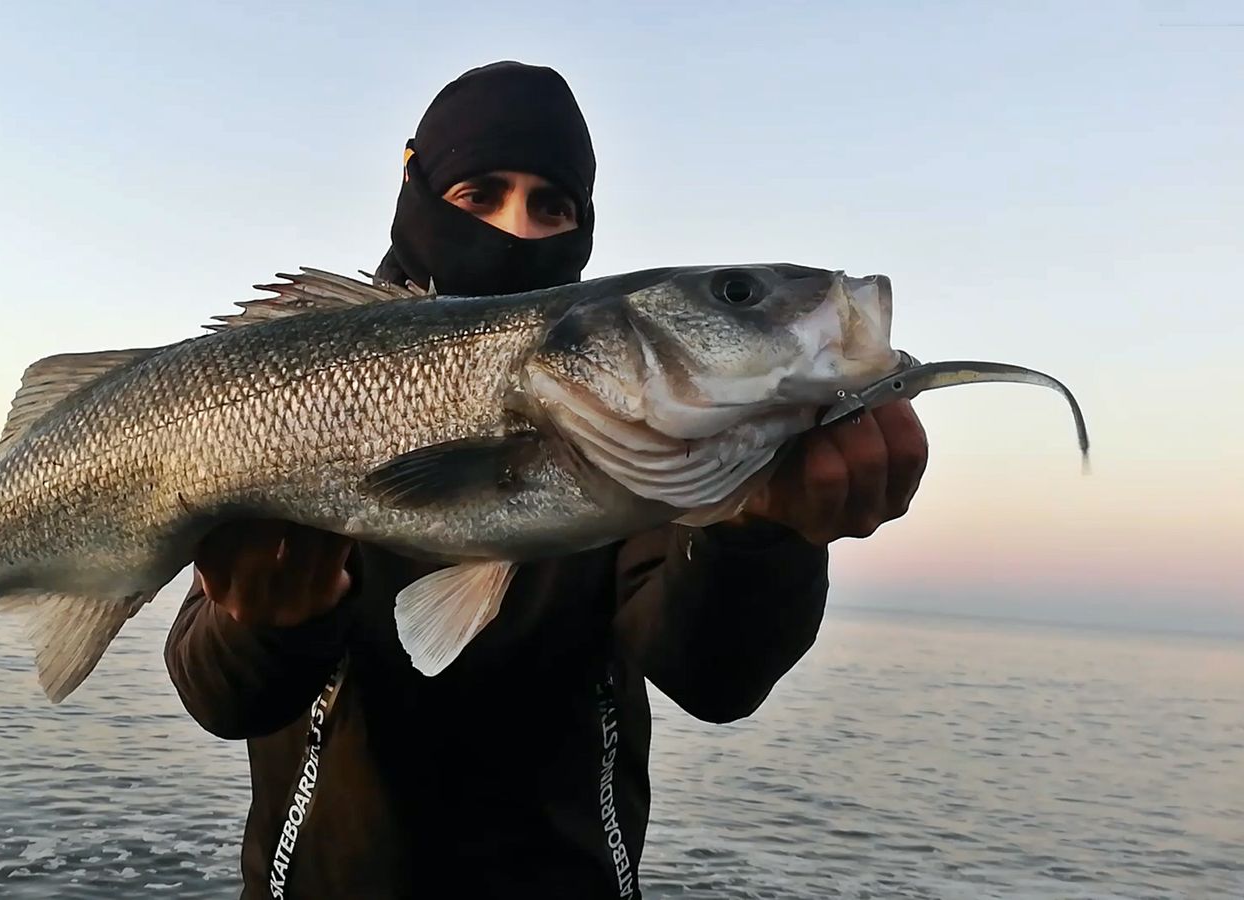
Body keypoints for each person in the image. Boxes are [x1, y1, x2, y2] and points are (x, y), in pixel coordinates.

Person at [167, 61, 929, 899]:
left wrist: (764, 535)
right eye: (480, 193)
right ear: (418, 195)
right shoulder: (296, 390)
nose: (519, 228)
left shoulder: (650, 442)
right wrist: (266, 623)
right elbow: (218, 695)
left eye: (553, 205)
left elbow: (715, 676)